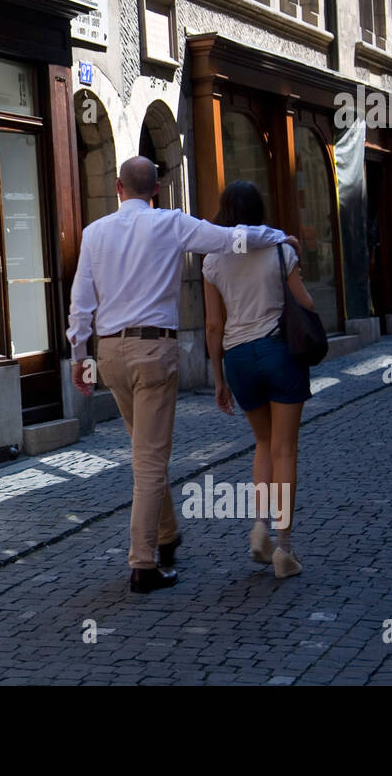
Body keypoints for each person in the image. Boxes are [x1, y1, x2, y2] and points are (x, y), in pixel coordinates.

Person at [68, 157, 299, 594]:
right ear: (156, 190)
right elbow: (231, 240)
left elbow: (81, 301)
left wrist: (79, 356)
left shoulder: (94, 233)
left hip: (110, 353)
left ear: (118, 188)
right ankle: (142, 564)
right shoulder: (170, 223)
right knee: (150, 460)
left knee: (144, 450)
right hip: (154, 349)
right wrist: (277, 237)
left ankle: (168, 536)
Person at [201, 180, 314, 580]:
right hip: (277, 352)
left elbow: (214, 326)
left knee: (263, 444)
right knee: (285, 450)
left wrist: (218, 378)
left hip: (238, 360)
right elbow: (307, 304)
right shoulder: (280, 249)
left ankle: (260, 526)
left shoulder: (213, 259)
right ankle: (283, 549)